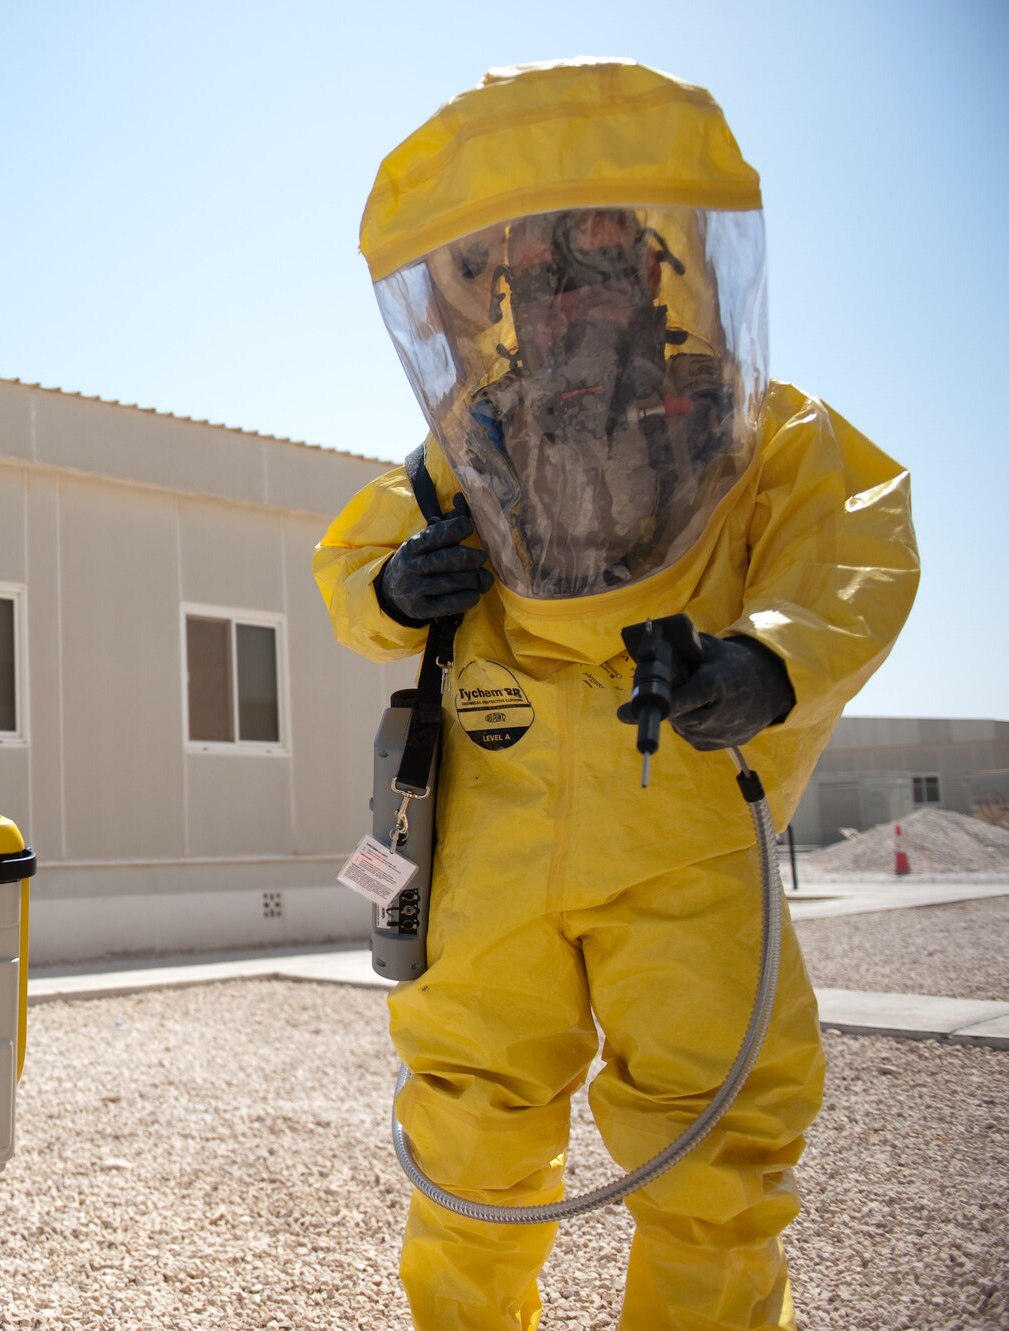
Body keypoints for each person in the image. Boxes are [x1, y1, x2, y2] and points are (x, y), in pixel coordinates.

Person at [314, 60, 919, 1329]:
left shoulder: (761, 432)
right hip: (493, 828)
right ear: (499, 292)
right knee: (469, 1135)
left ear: (657, 266)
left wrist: (760, 661)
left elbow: (850, 548)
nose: (560, 292)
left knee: (713, 1143)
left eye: (587, 260)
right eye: (534, 268)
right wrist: (398, 583)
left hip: (681, 827)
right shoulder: (468, 442)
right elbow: (347, 563)